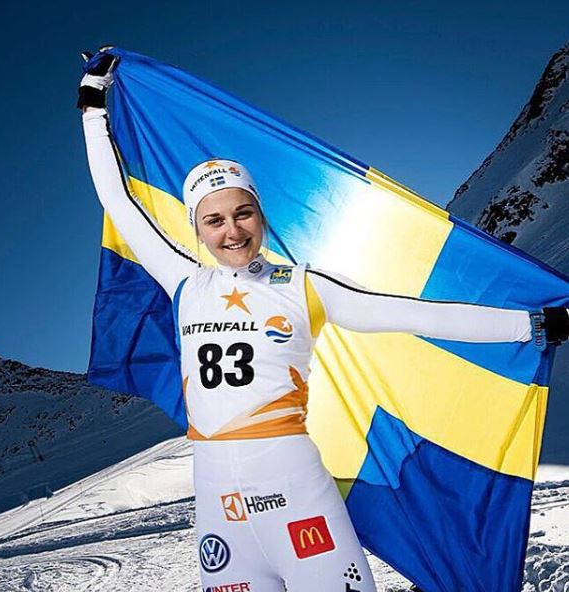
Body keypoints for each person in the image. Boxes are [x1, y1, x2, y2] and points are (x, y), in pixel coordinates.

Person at [78, 48, 569, 592]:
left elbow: (413, 314)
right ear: (197, 229)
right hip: (219, 508)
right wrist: (94, 110)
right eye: (213, 220)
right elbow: (118, 201)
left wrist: (530, 327)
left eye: (243, 213)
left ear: (261, 215)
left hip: (295, 495)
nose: (232, 231)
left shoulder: (303, 286)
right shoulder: (184, 283)